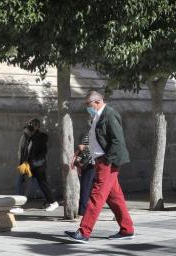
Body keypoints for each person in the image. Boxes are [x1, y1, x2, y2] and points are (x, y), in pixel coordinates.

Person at [65, 90, 135, 243]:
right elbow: (94, 140)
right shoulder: (97, 116)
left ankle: (84, 232)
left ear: (97, 102)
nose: (87, 108)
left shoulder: (109, 114)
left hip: (107, 162)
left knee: (97, 196)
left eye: (88, 104)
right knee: (115, 197)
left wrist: (107, 161)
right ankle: (127, 229)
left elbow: (118, 140)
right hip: (100, 161)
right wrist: (80, 153)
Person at [11, 118, 58, 213]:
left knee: (43, 183)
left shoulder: (40, 137)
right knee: (22, 184)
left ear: (37, 127)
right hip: (28, 165)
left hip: (37, 165)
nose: (30, 127)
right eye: (30, 125)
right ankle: (19, 206)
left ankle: (53, 202)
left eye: (33, 125)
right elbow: (25, 150)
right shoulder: (29, 137)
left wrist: (34, 163)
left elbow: (42, 151)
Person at [74, 130, 96, 216]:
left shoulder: (97, 132)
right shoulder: (89, 132)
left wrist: (84, 147)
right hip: (86, 163)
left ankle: (83, 210)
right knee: (86, 187)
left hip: (92, 163)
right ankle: (84, 209)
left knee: (86, 187)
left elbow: (99, 147)